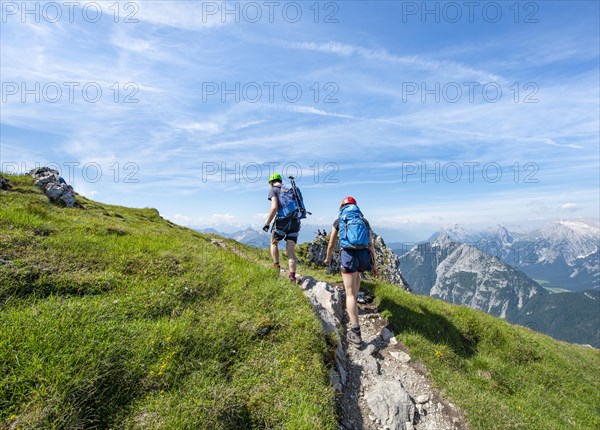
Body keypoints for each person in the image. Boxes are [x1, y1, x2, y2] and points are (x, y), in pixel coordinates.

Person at [324, 196, 377, 348]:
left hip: (348, 255)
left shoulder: (339, 220)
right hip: (363, 256)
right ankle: (355, 307)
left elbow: (331, 242)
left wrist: (328, 258)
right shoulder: (364, 221)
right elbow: (371, 245)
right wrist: (374, 266)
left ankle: (356, 332)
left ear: (342, 207)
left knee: (349, 293)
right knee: (357, 278)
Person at [263, 173, 301, 282]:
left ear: (271, 182)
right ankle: (292, 276)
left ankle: (276, 266)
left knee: (274, 242)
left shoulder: (274, 190)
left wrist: (267, 223)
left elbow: (274, 207)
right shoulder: (292, 189)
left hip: (282, 221)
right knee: (291, 250)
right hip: (295, 221)